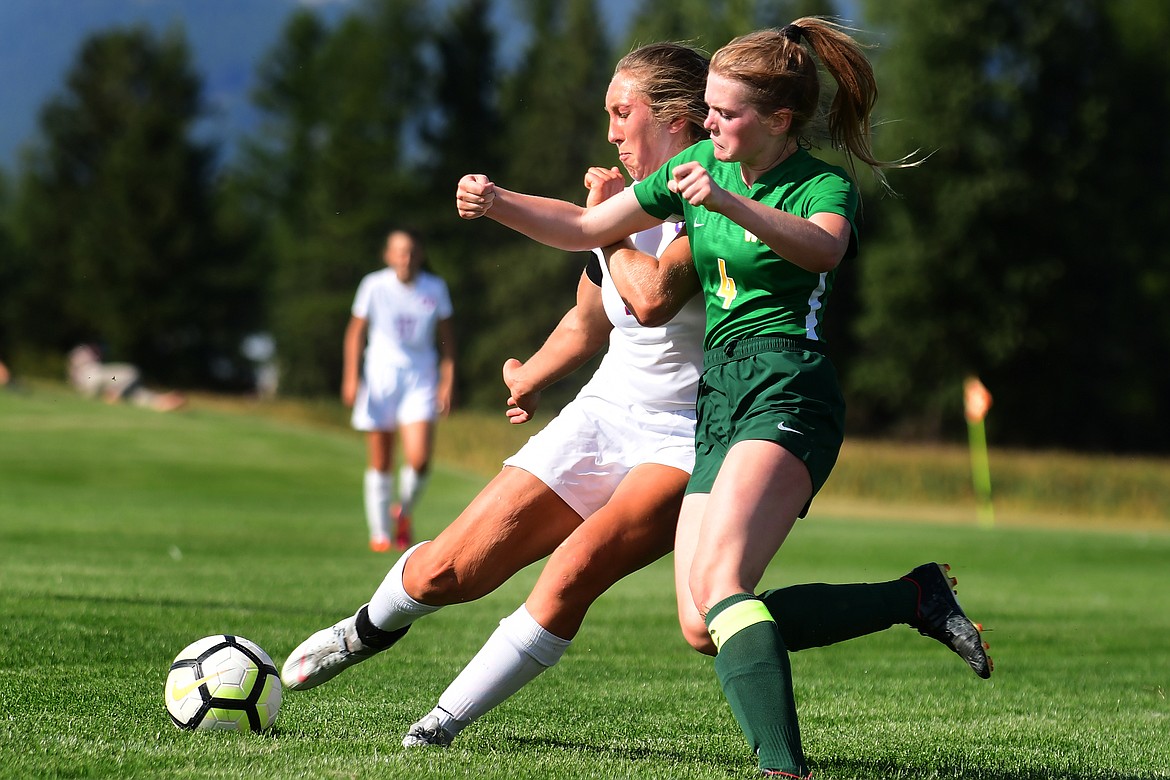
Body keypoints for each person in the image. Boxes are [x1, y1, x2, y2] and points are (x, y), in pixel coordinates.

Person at [454, 20, 992, 777]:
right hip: (722, 397)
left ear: (778, 121)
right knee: (703, 623)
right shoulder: (704, 163)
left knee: (722, 585)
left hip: (788, 386)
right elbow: (585, 226)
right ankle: (911, 598)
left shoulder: (821, 184)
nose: (708, 125)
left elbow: (824, 247)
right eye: (706, 109)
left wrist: (730, 205)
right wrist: (497, 199)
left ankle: (783, 768)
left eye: (725, 114)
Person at [282, 41, 711, 743]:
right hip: (605, 415)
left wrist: (602, 222)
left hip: (687, 438)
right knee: (452, 569)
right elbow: (588, 316)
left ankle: (436, 729)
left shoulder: (716, 198)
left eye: (620, 112)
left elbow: (651, 295)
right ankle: (362, 629)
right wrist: (532, 375)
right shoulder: (630, 205)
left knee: (572, 571)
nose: (609, 132)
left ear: (674, 117)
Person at [343, 229, 456, 552]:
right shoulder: (373, 285)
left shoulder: (435, 288)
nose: (405, 258)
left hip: (421, 378)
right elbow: (355, 334)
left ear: (419, 255)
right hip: (380, 376)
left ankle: (402, 513)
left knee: (419, 460)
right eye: (398, 251)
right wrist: (351, 377)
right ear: (388, 256)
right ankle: (380, 533)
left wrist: (448, 381)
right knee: (381, 459)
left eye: (411, 251)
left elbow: (447, 340)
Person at [66, 344, 186, 412]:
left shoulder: (78, 352)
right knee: (132, 372)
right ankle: (116, 394)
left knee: (132, 391)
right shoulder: (84, 351)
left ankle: (160, 401)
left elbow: (72, 373)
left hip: (94, 384)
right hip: (95, 377)